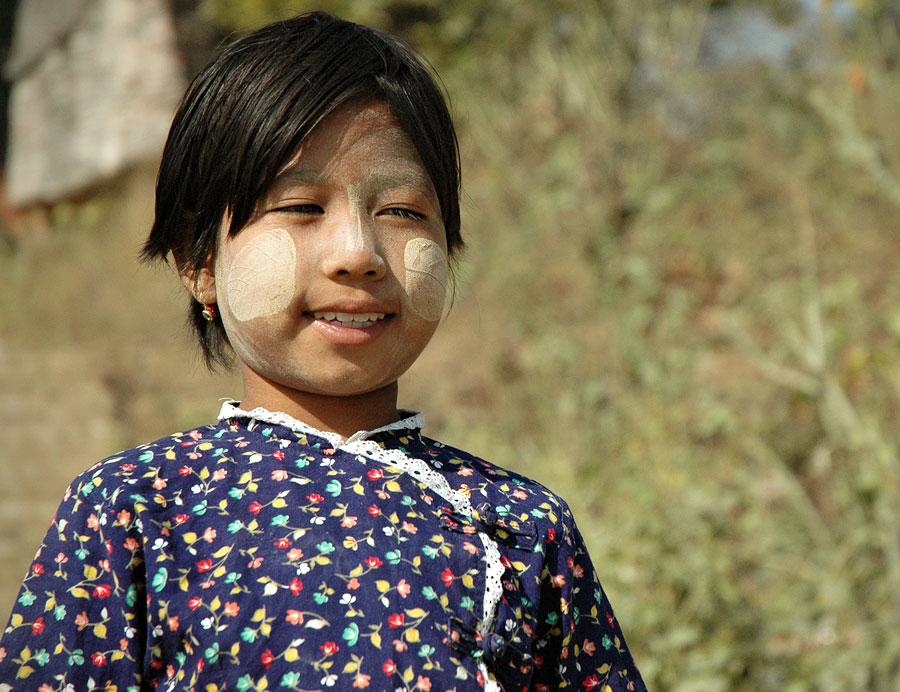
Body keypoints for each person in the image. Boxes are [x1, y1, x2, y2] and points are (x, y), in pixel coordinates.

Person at [0, 12, 646, 692]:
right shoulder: (134, 508)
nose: (358, 255)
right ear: (199, 262)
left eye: (401, 211)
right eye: (302, 207)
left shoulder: (523, 524)